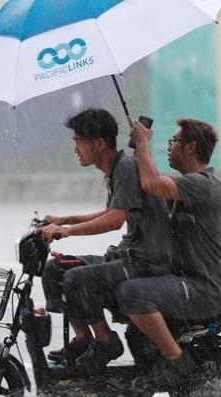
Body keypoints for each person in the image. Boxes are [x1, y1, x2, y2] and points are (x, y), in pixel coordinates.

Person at [37, 108, 173, 374]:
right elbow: (112, 211)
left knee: (77, 278)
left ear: (99, 143)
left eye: (78, 142)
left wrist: (68, 231)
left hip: (145, 260)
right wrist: (66, 220)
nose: (76, 150)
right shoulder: (117, 169)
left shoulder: (125, 167)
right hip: (128, 255)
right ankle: (84, 339)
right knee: (56, 269)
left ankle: (106, 341)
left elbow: (115, 219)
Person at [117, 118, 221, 394]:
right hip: (184, 282)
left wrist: (144, 143)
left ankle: (175, 360)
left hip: (203, 288)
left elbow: (153, 184)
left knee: (133, 293)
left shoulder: (205, 185)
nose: (169, 148)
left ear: (191, 147)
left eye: (174, 142)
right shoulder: (184, 188)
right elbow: (150, 185)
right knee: (134, 324)